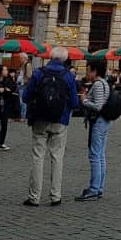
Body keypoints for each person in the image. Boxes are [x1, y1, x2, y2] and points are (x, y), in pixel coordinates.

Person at [21, 46, 80, 207]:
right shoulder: (69, 76)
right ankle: (55, 196)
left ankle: (34, 197)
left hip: (40, 119)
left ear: (50, 57)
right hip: (60, 121)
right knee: (57, 157)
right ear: (65, 59)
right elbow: (75, 103)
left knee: (38, 157)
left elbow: (26, 97)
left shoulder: (39, 73)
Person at [77, 59, 111, 202]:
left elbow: (98, 106)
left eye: (88, 69)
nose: (86, 73)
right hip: (105, 121)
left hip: (98, 121)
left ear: (94, 71)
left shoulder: (97, 85)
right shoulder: (105, 84)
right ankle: (99, 187)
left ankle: (94, 188)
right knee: (100, 154)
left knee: (95, 155)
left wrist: (84, 100)